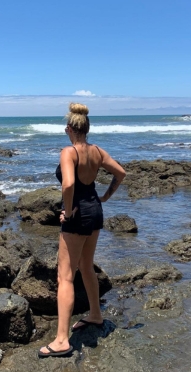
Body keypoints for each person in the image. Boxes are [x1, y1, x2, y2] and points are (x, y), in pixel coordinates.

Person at [38, 103, 126, 358]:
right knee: (86, 267)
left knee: (64, 277)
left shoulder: (69, 152)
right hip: (96, 212)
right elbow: (120, 173)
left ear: (70, 129)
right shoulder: (97, 151)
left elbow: (68, 185)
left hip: (78, 216)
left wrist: (68, 210)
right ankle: (96, 315)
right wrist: (106, 197)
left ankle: (62, 340)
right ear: (86, 129)